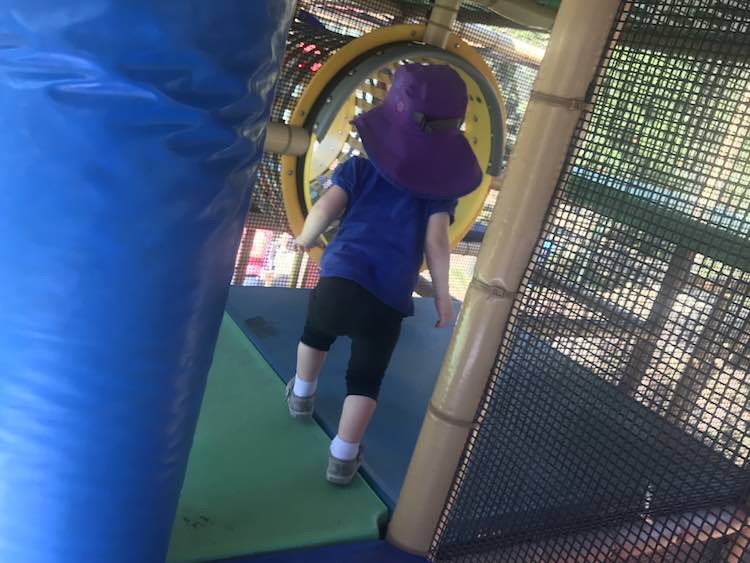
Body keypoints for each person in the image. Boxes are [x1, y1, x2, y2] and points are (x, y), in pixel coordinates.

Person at [286, 64, 483, 485]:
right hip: (387, 300)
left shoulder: (358, 168)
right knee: (365, 380)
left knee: (315, 335)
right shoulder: (438, 191)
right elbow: (436, 243)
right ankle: (342, 455)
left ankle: (302, 392)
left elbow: (325, 209)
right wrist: (444, 295)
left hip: (340, 279)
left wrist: (305, 239)